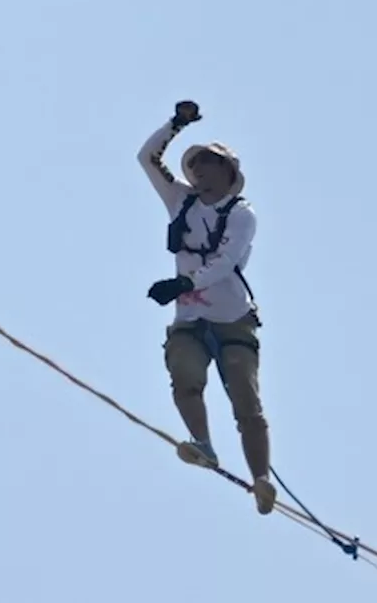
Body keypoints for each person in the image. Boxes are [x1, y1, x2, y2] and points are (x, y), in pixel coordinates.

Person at [137, 100, 276, 516]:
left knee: (246, 403)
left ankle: (262, 481)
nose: (198, 169)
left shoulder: (240, 213)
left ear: (227, 172)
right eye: (195, 163)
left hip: (232, 316)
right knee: (184, 376)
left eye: (208, 163)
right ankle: (204, 446)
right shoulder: (180, 201)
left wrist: (184, 282)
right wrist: (175, 124)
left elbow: (227, 260)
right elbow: (147, 158)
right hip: (190, 318)